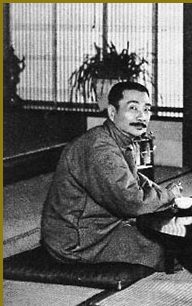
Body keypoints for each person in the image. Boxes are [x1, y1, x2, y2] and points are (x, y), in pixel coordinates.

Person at [41, 81, 182, 271]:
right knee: (172, 251)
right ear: (112, 112)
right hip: (79, 240)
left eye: (147, 109)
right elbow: (133, 203)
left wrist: (164, 195)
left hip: (102, 226)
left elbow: (135, 180)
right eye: (133, 108)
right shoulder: (99, 148)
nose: (142, 116)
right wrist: (168, 195)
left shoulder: (117, 139)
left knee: (172, 233)